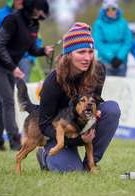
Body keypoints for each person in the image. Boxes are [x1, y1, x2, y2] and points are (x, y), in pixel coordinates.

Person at [36, 22, 121, 172]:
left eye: (90, 51)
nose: (87, 58)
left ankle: (90, 163)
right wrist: (74, 140)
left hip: (81, 125)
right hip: (60, 134)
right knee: (69, 169)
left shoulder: (98, 69)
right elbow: (44, 125)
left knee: (111, 109)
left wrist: (93, 119)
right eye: (81, 52)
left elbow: (94, 102)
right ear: (68, 54)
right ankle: (44, 154)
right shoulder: (52, 81)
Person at [0, 0, 53, 151]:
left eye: (42, 13)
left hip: (7, 66)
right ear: (31, 7)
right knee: (8, 100)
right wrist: (13, 67)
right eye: (38, 11)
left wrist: (43, 50)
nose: (41, 15)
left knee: (3, 103)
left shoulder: (34, 25)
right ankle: (15, 142)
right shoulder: (12, 19)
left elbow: (31, 49)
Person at [0, 0, 43, 82]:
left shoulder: (29, 15)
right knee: (5, 87)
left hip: (24, 59)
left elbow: (37, 38)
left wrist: (31, 58)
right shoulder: (0, 15)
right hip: (4, 57)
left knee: (22, 87)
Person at [92, 0, 132, 77]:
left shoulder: (123, 23)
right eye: (107, 9)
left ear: (117, 9)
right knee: (105, 87)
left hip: (121, 62)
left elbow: (128, 41)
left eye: (113, 8)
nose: (111, 11)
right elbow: (98, 43)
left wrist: (120, 57)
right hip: (105, 62)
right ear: (104, 11)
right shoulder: (98, 24)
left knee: (121, 87)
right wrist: (111, 57)